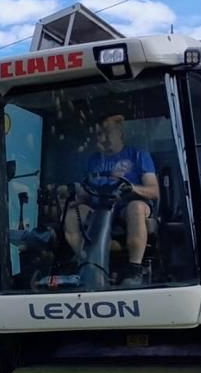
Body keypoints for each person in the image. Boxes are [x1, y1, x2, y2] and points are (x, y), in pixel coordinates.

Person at [63, 113, 158, 287]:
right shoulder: (94, 161)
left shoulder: (138, 155)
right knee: (71, 212)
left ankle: (135, 268)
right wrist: (77, 197)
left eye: (108, 132)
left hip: (127, 207)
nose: (103, 138)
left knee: (135, 207)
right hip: (99, 208)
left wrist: (133, 188)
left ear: (120, 133)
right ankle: (86, 262)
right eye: (99, 134)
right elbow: (88, 192)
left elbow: (153, 190)